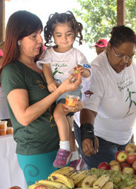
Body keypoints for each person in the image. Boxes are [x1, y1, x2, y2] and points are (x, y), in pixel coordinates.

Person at [0, 10, 82, 186]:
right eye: (33, 36)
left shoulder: (41, 67)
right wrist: (59, 92)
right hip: (37, 151)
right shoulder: (13, 71)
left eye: (40, 35)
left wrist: (72, 105)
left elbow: (54, 105)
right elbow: (24, 117)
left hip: (59, 148)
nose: (40, 41)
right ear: (18, 39)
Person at [74, 25, 136, 169]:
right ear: (109, 47)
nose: (125, 61)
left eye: (130, 56)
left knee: (127, 180)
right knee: (109, 182)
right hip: (99, 138)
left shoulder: (130, 65)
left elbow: (135, 94)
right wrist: (87, 134)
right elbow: (88, 108)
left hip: (125, 137)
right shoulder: (97, 71)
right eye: (120, 55)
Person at [39, 11, 91, 169]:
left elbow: (89, 72)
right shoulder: (48, 53)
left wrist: (82, 70)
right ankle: (76, 157)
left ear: (75, 33)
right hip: (57, 92)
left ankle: (64, 149)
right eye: (59, 35)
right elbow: (46, 66)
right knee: (67, 122)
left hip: (71, 92)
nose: (64, 39)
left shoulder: (77, 54)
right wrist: (50, 81)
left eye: (68, 34)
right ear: (52, 35)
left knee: (59, 113)